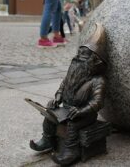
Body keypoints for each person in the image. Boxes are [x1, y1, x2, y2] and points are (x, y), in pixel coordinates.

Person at [30, 23, 107, 165]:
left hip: (84, 114)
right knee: (50, 116)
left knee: (72, 124)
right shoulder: (72, 75)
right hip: (66, 108)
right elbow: (63, 87)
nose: (78, 59)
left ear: (96, 62)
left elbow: (97, 102)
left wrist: (81, 111)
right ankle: (47, 139)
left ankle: (71, 151)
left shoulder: (98, 81)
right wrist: (57, 98)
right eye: (78, 55)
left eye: (84, 57)